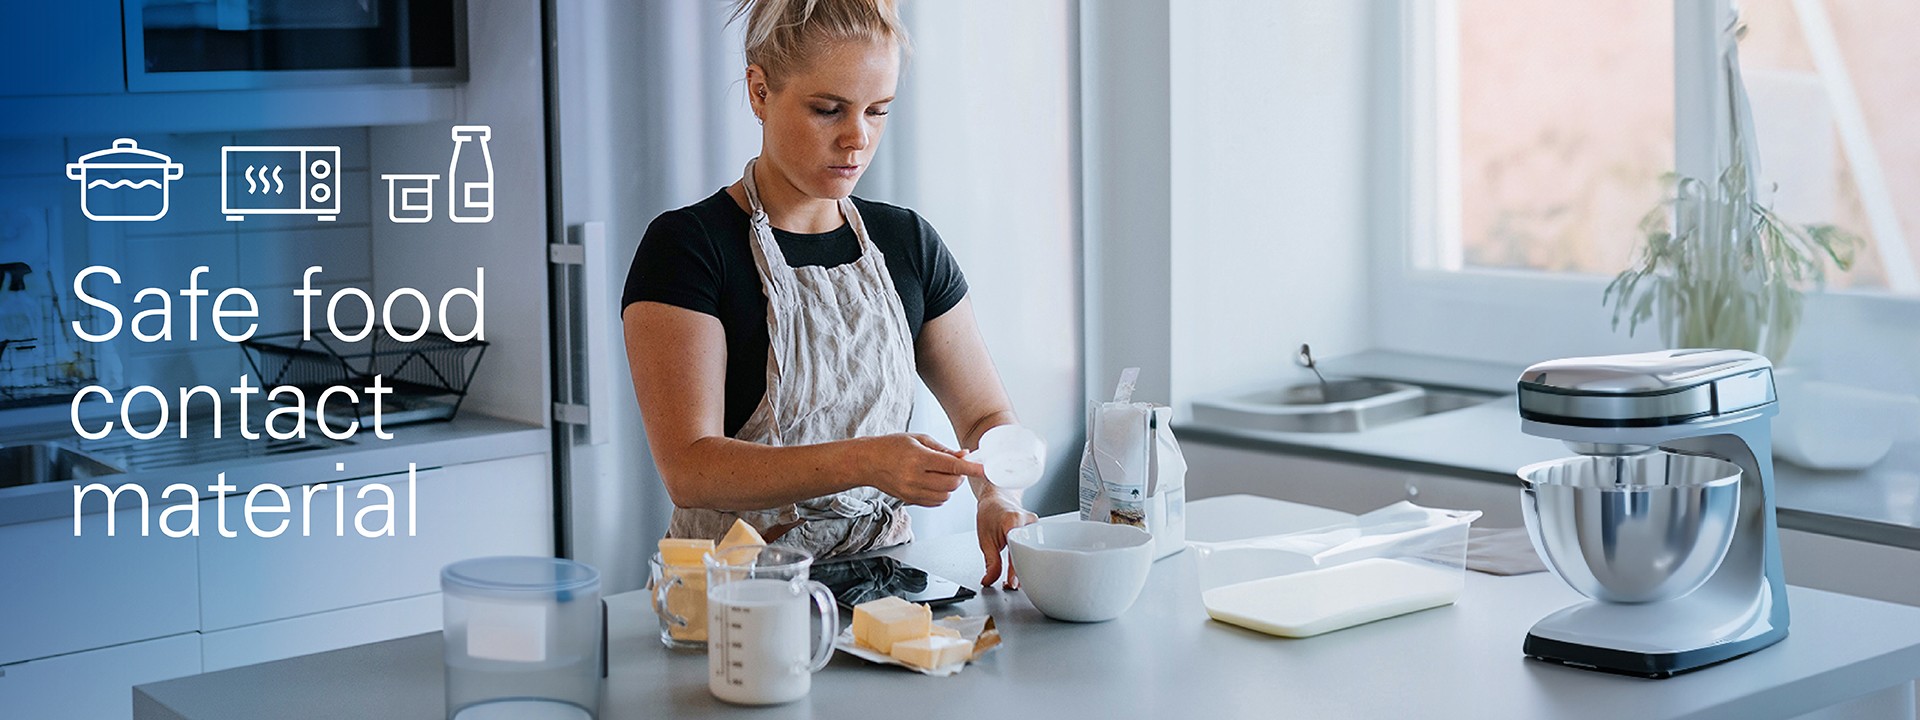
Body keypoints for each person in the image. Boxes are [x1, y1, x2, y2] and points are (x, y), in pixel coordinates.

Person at [621, 0, 1037, 587]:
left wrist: (994, 492)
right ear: (759, 92)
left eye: (877, 110)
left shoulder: (908, 243)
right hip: (732, 604)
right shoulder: (688, 247)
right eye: (827, 109)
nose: (857, 138)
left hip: (883, 587)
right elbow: (691, 467)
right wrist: (867, 460)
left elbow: (986, 415)